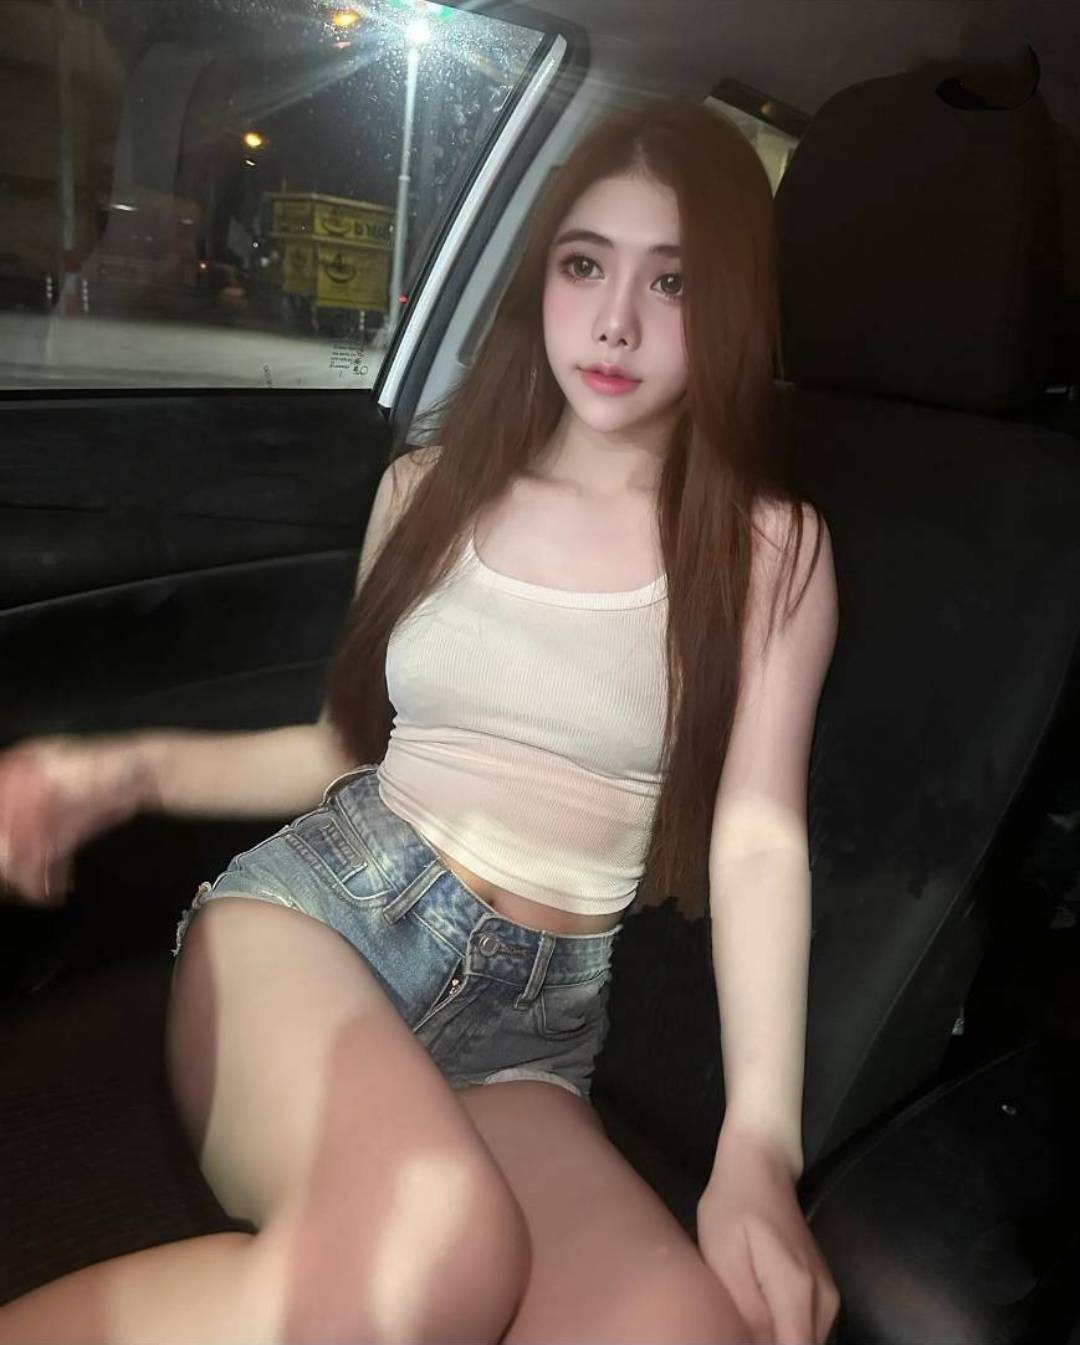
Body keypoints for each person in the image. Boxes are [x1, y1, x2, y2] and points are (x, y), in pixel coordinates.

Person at [0, 98, 840, 1344]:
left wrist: (759, 1147)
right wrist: (120, 772)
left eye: (672, 281)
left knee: (683, 1330)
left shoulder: (772, 551)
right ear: (541, 279)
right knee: (432, 1253)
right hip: (322, 923)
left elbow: (758, 842)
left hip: (531, 1031)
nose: (615, 319)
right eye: (585, 265)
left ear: (732, 306)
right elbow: (342, 749)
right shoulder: (429, 488)